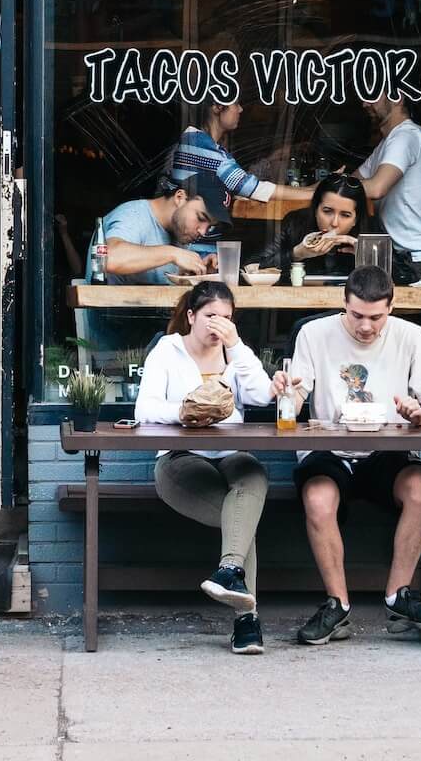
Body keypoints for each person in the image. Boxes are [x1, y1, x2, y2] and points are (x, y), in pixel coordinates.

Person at [272, 266, 421, 645]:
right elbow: (297, 398)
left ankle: (397, 597)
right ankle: (338, 606)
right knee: (318, 497)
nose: (366, 326)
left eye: (376, 317)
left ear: (391, 308)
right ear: (344, 305)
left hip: (387, 450)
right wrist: (286, 391)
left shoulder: (411, 336)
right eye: (357, 316)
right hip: (328, 450)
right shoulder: (313, 334)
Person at [134, 280, 278, 654]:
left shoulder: (235, 354)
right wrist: (182, 412)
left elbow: (262, 395)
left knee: (253, 478)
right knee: (242, 521)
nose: (218, 324)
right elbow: (144, 410)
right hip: (181, 458)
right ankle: (247, 622)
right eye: (211, 315)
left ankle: (229, 572)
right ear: (191, 315)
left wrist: (236, 346)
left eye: (227, 318)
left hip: (231, 453)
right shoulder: (168, 350)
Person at [356, 94, 421, 281]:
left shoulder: (406, 135)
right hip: (403, 258)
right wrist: (286, 191)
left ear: (397, 97)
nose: (364, 103)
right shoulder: (387, 143)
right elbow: (346, 186)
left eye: (372, 96)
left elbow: (376, 188)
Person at [94, 172, 233, 284]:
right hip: (116, 318)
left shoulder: (178, 231)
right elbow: (107, 258)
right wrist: (173, 254)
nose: (203, 231)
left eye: (210, 227)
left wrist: (196, 273)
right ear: (180, 197)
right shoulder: (134, 215)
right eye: (201, 218)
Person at [170, 100, 314, 208]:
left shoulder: (203, 143)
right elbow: (252, 188)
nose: (240, 109)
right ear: (217, 106)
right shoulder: (198, 143)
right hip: (194, 245)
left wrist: (312, 189)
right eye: (236, 103)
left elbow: (242, 184)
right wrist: (315, 194)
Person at [251, 172, 375, 280]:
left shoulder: (368, 230)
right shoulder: (295, 223)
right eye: (327, 211)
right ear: (316, 210)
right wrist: (297, 253)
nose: (335, 223)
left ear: (356, 219)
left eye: (345, 215)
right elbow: (252, 267)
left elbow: (391, 281)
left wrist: (366, 257)